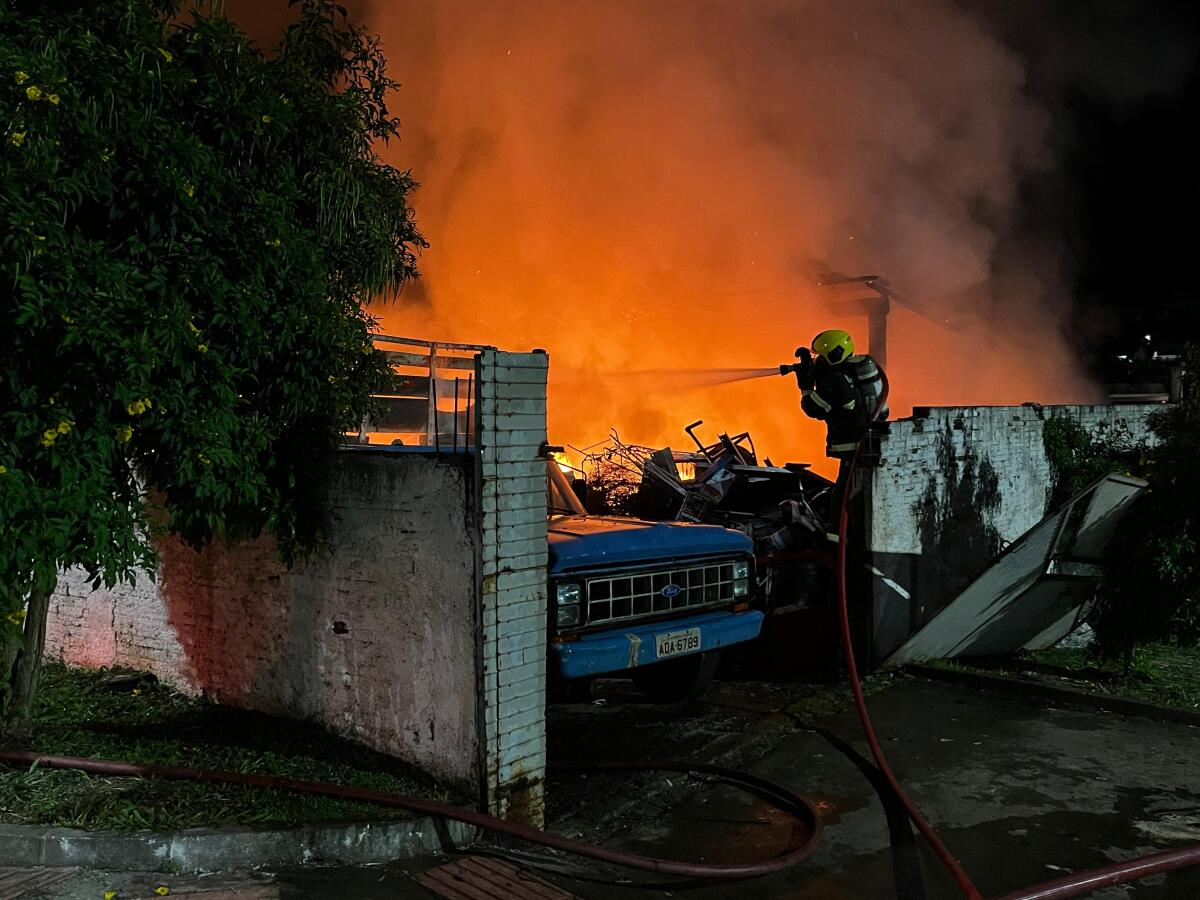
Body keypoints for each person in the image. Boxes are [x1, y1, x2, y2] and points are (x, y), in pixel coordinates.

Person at [792, 328, 888, 537]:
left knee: (843, 495)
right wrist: (810, 368)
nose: (819, 360)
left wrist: (806, 387)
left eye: (821, 356)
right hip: (866, 444)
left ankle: (836, 538)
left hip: (853, 446)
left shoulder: (836, 380)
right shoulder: (850, 371)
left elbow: (816, 408)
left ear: (834, 354)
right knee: (852, 492)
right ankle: (845, 535)